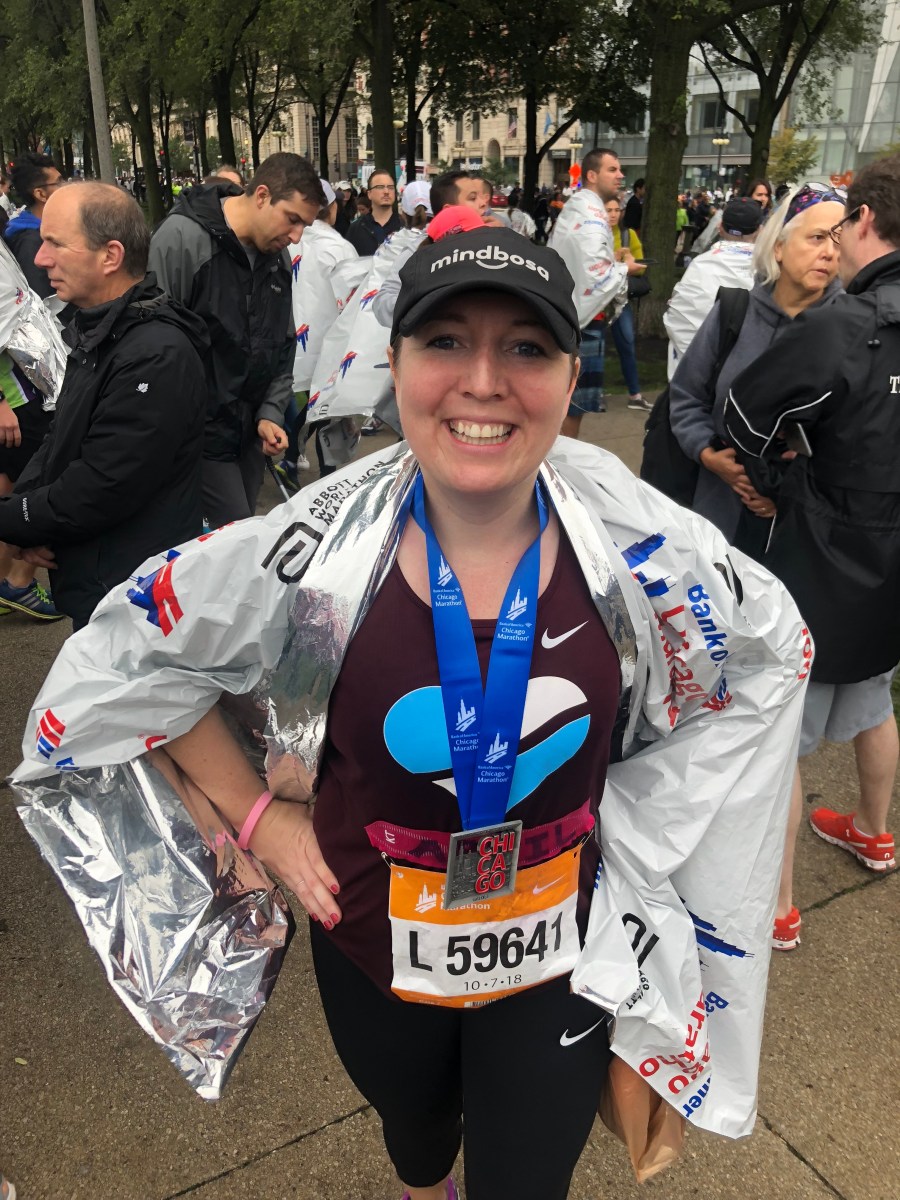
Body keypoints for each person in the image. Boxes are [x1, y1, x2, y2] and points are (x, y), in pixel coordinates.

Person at [13, 226, 809, 1199]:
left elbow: (766, 663)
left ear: (570, 376)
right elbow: (136, 662)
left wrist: (699, 848)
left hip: (562, 955)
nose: (483, 382)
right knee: (419, 1146)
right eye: (445, 342)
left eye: (526, 348)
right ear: (394, 365)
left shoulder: (638, 558)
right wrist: (261, 819)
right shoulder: (314, 558)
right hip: (371, 943)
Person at [724, 160, 900, 948]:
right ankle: (874, 830)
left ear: (862, 220)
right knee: (874, 696)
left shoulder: (845, 324)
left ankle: (779, 904)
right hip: (888, 562)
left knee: (783, 735)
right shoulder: (848, 321)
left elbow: (745, 412)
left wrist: (772, 472)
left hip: (825, 553)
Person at [0, 182, 207, 630]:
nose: (40, 259)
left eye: (55, 243)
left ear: (110, 255)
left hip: (132, 596)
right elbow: (60, 441)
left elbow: (103, 484)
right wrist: (24, 520)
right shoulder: (102, 330)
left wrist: (15, 521)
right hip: (101, 576)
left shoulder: (154, 352)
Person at [669, 183, 843, 562]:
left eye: (838, 240)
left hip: (804, 535)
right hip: (718, 516)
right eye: (816, 237)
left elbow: (858, 443)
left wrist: (786, 494)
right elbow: (687, 397)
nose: (829, 252)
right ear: (778, 247)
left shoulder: (850, 329)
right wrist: (708, 454)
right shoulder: (735, 313)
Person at [149, 152, 324, 526]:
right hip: (197, 441)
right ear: (262, 195)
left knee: (238, 543)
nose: (296, 236)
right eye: (292, 219)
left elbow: (282, 344)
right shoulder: (181, 238)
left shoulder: (275, 256)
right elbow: (152, 348)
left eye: (304, 226)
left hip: (247, 439)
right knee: (238, 541)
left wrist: (270, 413)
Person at [547, 147, 645, 438]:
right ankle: (557, 462)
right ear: (591, 175)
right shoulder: (590, 214)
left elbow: (584, 263)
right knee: (574, 405)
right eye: (612, 169)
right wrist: (626, 269)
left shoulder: (581, 208)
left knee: (566, 403)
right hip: (584, 322)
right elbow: (595, 275)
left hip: (570, 316)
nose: (620, 175)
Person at [664, 195, 763, 379]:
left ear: (720, 227)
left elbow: (679, 321)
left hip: (693, 381)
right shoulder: (770, 273)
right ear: (760, 230)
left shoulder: (699, 266)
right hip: (746, 383)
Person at [604, 196, 649, 411]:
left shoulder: (627, 234)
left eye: (616, 210)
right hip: (597, 299)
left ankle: (635, 395)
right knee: (595, 349)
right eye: (609, 210)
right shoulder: (593, 235)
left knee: (627, 344)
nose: (613, 214)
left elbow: (640, 267)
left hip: (620, 300)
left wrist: (628, 259)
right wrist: (614, 260)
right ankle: (595, 394)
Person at [4, 154, 65, 299]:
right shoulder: (30, 242)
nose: (65, 187)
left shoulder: (41, 232)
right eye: (59, 183)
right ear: (40, 194)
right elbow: (44, 301)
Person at [346, 170, 403, 255]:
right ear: (369, 194)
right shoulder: (356, 229)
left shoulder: (405, 227)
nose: (386, 191)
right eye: (380, 187)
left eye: (390, 187)